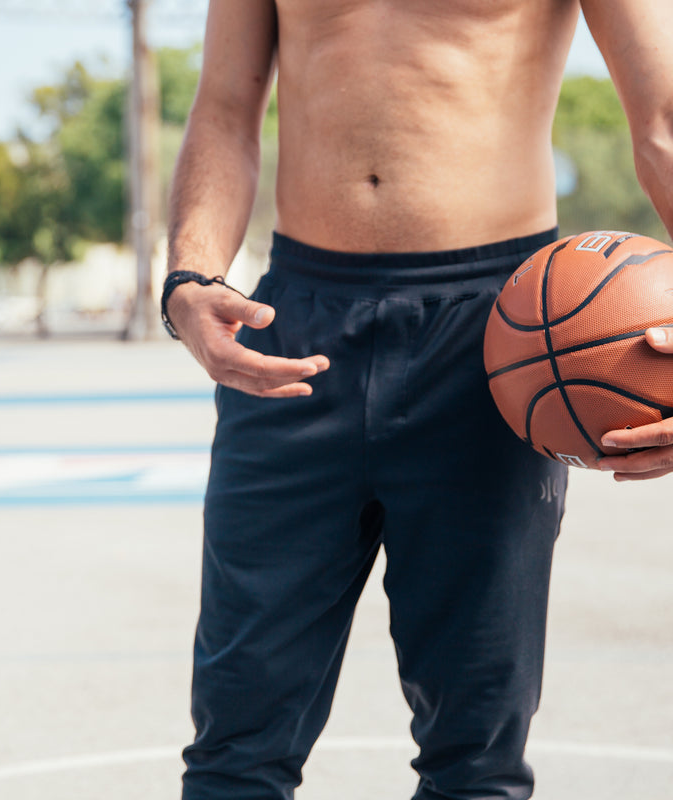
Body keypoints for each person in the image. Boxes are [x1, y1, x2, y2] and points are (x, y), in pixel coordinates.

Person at [162, 1, 673, 797]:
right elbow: (225, 110)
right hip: (295, 324)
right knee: (236, 743)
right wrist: (191, 276)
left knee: (475, 754)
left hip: (494, 339)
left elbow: (663, 119)